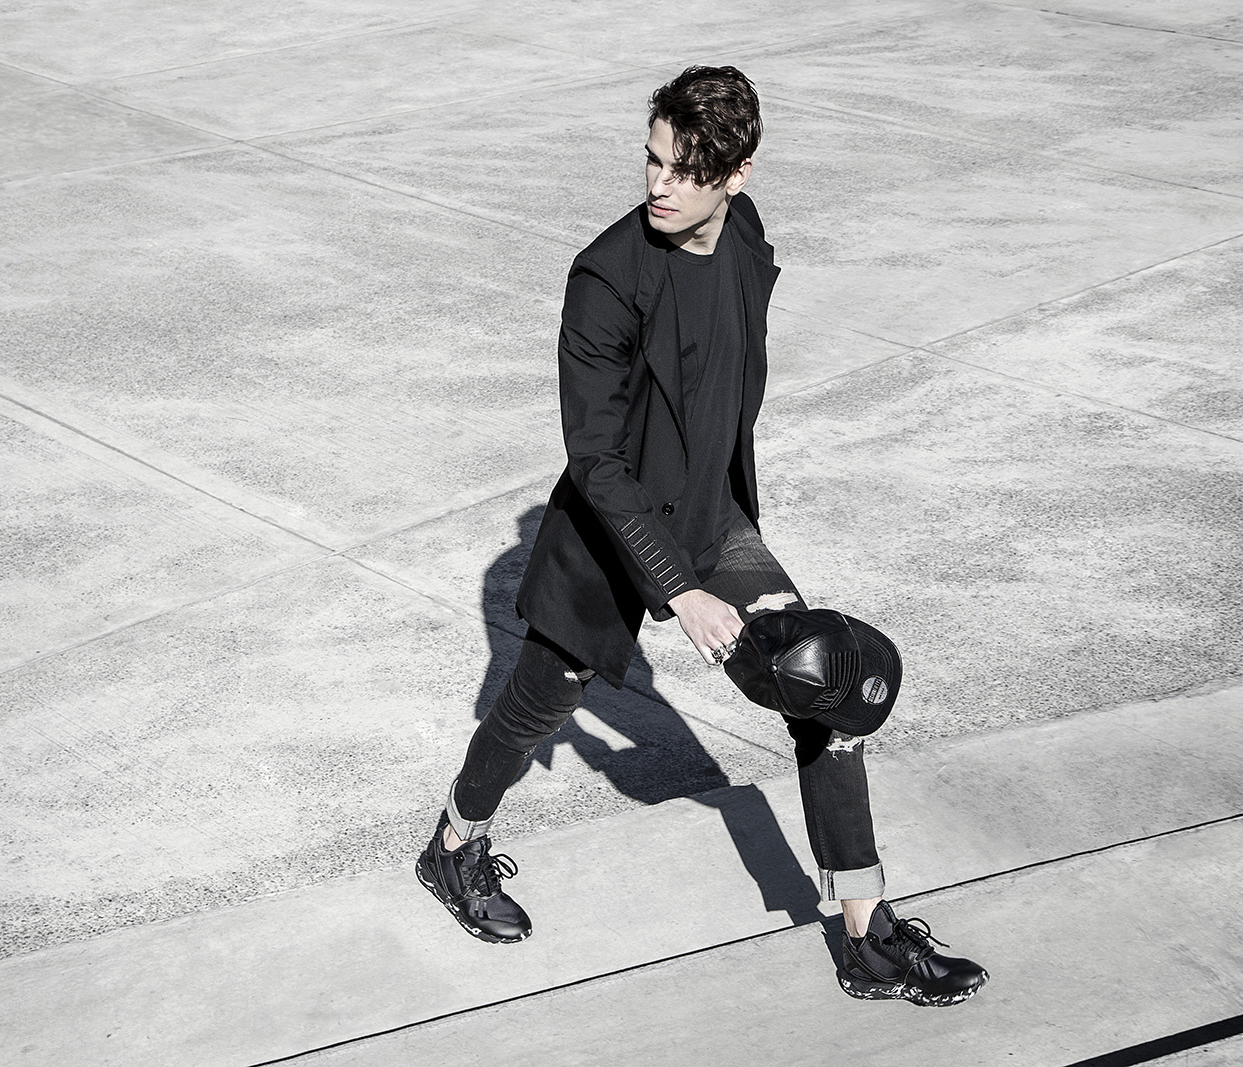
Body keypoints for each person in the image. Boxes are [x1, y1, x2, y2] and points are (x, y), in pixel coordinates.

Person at [417, 65, 987, 1005]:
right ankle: (453, 843)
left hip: (715, 517)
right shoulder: (607, 279)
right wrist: (678, 589)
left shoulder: (745, 237)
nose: (659, 184)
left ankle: (867, 930)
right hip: (613, 539)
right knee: (536, 709)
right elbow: (597, 459)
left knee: (821, 684)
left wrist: (715, 542)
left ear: (737, 174)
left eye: (685, 170)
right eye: (653, 160)